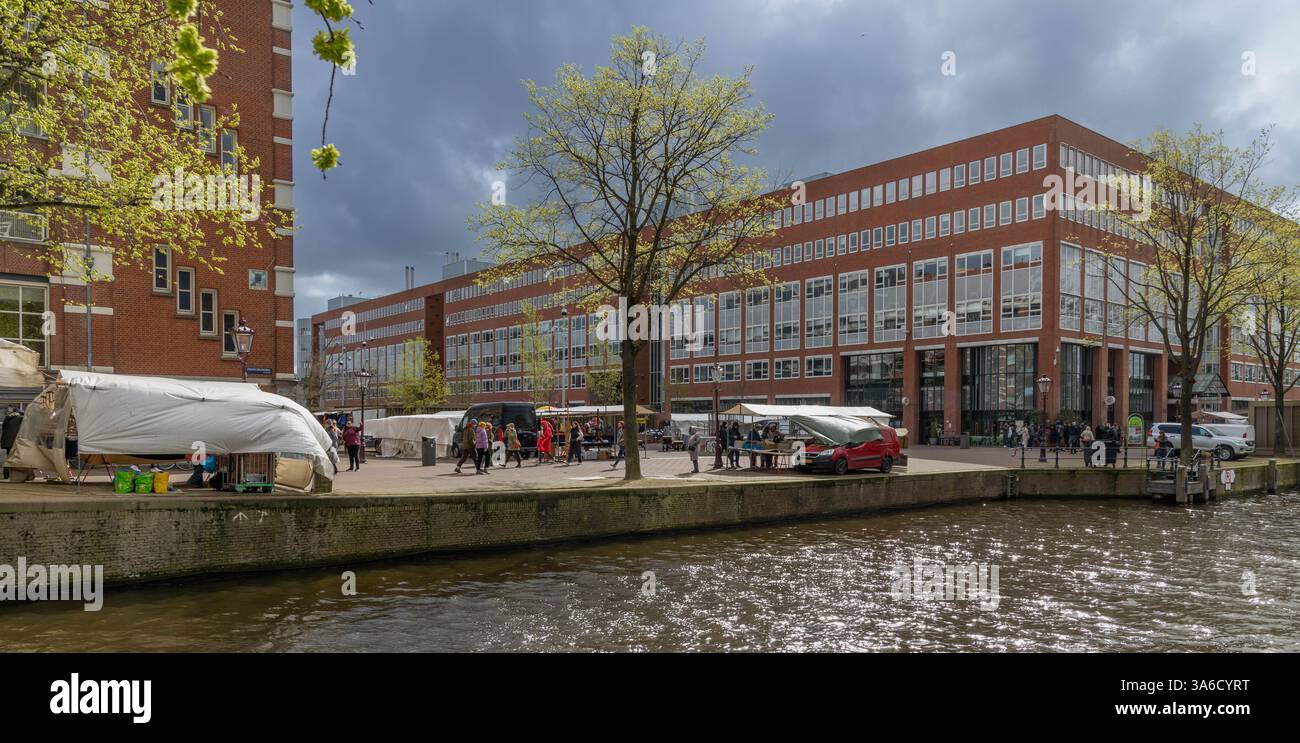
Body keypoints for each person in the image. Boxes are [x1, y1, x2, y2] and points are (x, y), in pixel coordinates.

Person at [2, 406, 22, 480]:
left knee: (9, 457)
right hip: (15, 442)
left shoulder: (7, 419)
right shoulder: (19, 418)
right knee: (15, 458)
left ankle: (6, 474)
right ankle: (14, 475)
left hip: (8, 443)